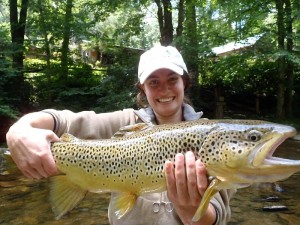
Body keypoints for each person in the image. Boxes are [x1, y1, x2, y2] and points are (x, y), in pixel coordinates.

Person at [6, 45, 234, 225]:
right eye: (154, 82)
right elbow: (63, 121)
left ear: (184, 82)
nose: (164, 90)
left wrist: (193, 212)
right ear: (142, 88)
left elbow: (217, 216)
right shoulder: (124, 123)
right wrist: (19, 130)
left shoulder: (212, 138)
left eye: (172, 80)